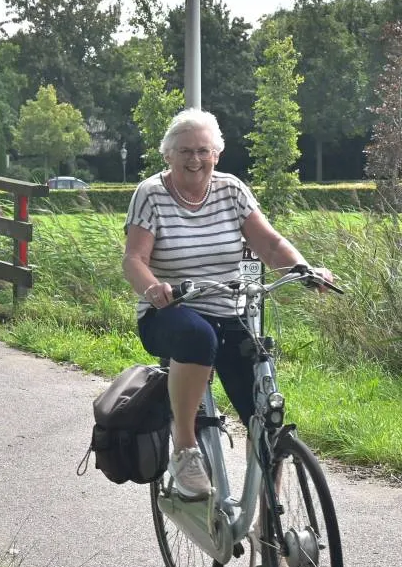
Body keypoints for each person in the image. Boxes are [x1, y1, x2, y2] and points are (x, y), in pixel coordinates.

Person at [123, 109, 335, 500]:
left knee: (266, 419)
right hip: (170, 312)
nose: (195, 159)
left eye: (204, 150)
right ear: (168, 155)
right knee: (197, 337)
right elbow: (134, 259)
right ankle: (185, 448)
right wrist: (153, 288)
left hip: (229, 311)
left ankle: (268, 533)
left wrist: (305, 269)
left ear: (217, 155)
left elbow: (269, 244)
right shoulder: (151, 194)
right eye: (185, 150)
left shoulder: (232, 190)